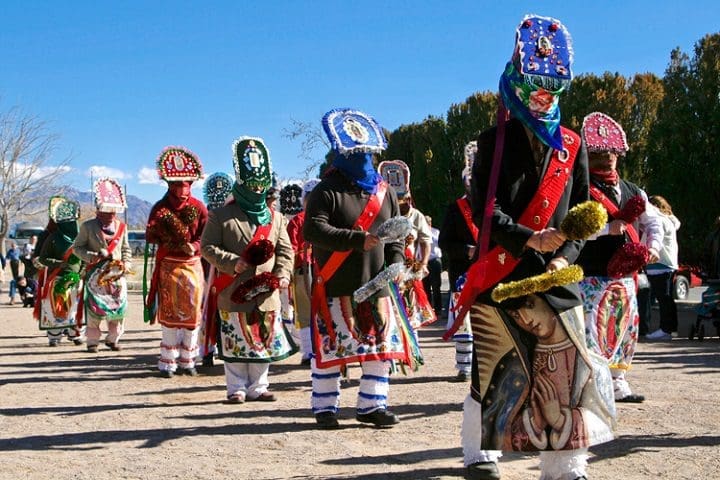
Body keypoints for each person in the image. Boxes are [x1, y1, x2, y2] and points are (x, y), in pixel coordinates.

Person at [455, 15, 614, 480]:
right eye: (535, 83)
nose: (545, 95)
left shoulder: (573, 143)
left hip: (558, 278)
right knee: (496, 370)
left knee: (564, 376)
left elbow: (586, 215)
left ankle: (565, 465)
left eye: (553, 85)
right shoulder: (493, 142)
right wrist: (531, 240)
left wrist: (566, 254)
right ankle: (481, 455)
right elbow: (488, 211)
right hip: (503, 270)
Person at [304, 108, 412, 429]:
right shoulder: (327, 190)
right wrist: (356, 239)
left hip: (378, 285)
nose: (362, 156)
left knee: (379, 349)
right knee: (332, 346)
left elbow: (396, 235)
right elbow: (312, 230)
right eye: (356, 151)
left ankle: (371, 405)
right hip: (337, 282)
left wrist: (396, 263)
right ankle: (325, 407)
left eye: (367, 151)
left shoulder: (385, 191)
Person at [201, 136, 296, 403]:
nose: (256, 192)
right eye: (251, 187)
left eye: (260, 188)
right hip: (233, 288)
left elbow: (286, 251)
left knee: (262, 338)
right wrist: (232, 262)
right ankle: (236, 388)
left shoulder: (276, 219)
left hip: (267, 292)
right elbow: (206, 247)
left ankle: (259, 385)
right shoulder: (220, 216)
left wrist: (283, 274)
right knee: (236, 338)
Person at [576, 112, 662, 403]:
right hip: (591, 273)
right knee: (593, 330)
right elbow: (569, 231)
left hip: (625, 276)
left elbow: (654, 223)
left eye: (613, 152)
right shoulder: (580, 191)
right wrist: (605, 229)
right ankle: (592, 386)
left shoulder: (633, 190)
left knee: (624, 327)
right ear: (589, 155)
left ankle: (617, 383)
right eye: (601, 152)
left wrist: (652, 246)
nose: (608, 157)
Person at [145, 146, 208, 378]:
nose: (182, 190)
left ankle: (188, 360)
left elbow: (206, 235)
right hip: (168, 266)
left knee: (192, 316)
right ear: (169, 184)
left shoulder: (199, 207)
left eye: (187, 184)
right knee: (170, 314)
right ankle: (168, 362)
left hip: (192, 265)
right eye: (177, 184)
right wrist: (160, 234)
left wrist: (193, 246)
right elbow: (149, 235)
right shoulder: (159, 209)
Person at [73, 178, 133, 353]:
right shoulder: (88, 227)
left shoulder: (122, 227)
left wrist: (126, 263)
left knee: (118, 306)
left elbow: (126, 248)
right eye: (106, 210)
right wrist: (92, 256)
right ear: (98, 208)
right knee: (94, 308)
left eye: (113, 211)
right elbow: (77, 248)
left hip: (116, 274)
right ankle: (92, 341)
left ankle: (113, 339)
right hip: (95, 276)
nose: (110, 214)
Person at [379, 159, 436, 331]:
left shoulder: (416, 215)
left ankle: (413, 354)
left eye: (403, 200)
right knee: (390, 317)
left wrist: (424, 264)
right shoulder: (381, 213)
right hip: (385, 268)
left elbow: (426, 240)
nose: (401, 203)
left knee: (410, 317)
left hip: (409, 271)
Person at [440, 141, 479, 382]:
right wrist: (467, 250)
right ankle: (464, 368)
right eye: (470, 181)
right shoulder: (455, 209)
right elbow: (444, 242)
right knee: (464, 322)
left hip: (491, 271)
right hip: (462, 272)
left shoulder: (495, 207)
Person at [36, 196, 86, 346]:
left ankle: (75, 334)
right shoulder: (53, 238)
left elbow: (84, 257)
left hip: (76, 279)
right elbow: (43, 258)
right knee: (55, 306)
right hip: (56, 278)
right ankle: (54, 336)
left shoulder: (81, 238)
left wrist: (81, 272)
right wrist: (60, 263)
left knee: (75, 307)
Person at [198, 171, 235, 368]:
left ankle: (222, 347)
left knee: (224, 310)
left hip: (228, 270)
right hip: (209, 270)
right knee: (208, 310)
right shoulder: (207, 217)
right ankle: (207, 349)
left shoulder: (232, 217)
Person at [286, 179, 320, 366]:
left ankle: (321, 348)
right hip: (304, 271)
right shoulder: (298, 221)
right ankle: (308, 351)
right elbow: (290, 248)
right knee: (306, 312)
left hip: (324, 270)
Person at [643, 196, 681, 341]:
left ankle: (666, 329)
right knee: (667, 298)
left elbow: (651, 238)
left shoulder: (659, 220)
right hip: (668, 264)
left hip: (659, 264)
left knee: (663, 298)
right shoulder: (669, 220)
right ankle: (671, 328)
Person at [423, 215, 443, 317]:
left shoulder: (436, 232)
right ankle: (428, 309)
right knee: (425, 286)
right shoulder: (420, 233)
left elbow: (440, 244)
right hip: (424, 262)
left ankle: (438, 309)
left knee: (436, 286)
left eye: (428, 223)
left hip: (434, 260)